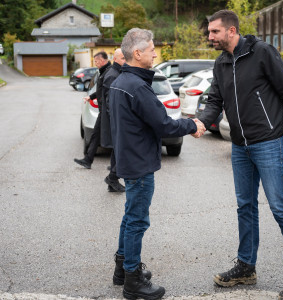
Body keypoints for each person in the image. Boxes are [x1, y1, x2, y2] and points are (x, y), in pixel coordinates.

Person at [198, 10, 283, 299]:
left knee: (280, 207)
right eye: (209, 32)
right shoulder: (221, 62)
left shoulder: (262, 52)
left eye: (214, 32)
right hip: (240, 146)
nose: (210, 36)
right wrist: (199, 122)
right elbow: (215, 99)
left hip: (268, 142)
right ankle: (246, 267)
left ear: (232, 31)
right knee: (245, 206)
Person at [109, 28, 205, 300]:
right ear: (137, 54)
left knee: (129, 217)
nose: (155, 53)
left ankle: (122, 269)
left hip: (129, 159)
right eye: (151, 49)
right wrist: (192, 124)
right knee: (137, 220)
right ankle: (132, 281)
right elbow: (163, 124)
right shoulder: (137, 86)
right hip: (139, 164)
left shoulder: (120, 81)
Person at [74, 51, 111, 169]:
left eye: (96, 61)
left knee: (114, 137)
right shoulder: (103, 72)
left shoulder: (108, 73)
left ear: (102, 60)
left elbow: (108, 93)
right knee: (96, 135)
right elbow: (100, 91)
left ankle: (117, 165)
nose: (95, 63)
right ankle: (88, 160)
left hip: (107, 111)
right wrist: (91, 96)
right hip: (103, 111)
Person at [100, 48, 126, 192]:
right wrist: (118, 120)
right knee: (121, 150)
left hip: (116, 121)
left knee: (117, 151)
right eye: (122, 58)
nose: (125, 61)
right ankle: (112, 177)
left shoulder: (117, 73)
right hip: (115, 121)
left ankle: (112, 181)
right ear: (115, 59)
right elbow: (111, 102)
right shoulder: (112, 75)